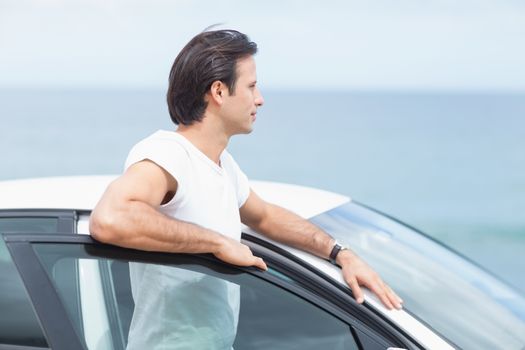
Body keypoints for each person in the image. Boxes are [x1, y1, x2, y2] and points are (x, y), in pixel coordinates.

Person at [89, 29, 402, 348]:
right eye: (251, 86)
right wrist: (217, 243)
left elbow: (265, 217)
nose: (260, 99)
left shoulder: (221, 164)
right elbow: (111, 218)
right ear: (219, 91)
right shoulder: (169, 153)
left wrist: (340, 253)